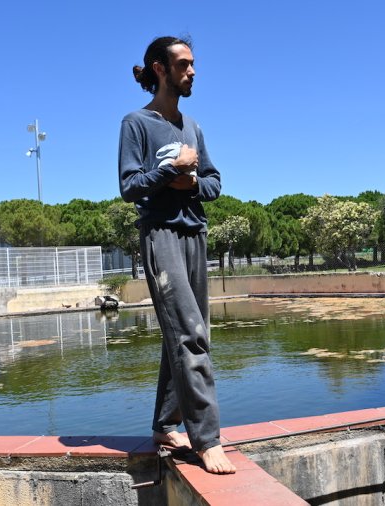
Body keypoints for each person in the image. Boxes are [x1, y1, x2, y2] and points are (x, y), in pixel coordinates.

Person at [118, 36, 235, 474]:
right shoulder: (136, 124)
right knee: (190, 335)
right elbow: (129, 186)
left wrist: (190, 183)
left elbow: (214, 183)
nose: (192, 71)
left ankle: (165, 423)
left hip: (195, 234)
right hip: (160, 236)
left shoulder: (193, 128)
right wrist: (170, 171)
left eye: (193, 64)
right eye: (184, 64)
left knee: (188, 332)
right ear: (160, 69)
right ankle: (207, 440)